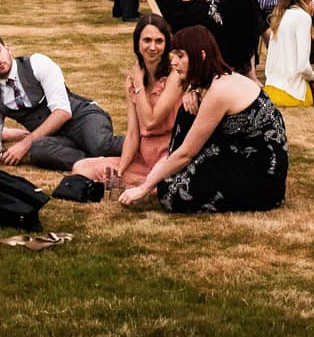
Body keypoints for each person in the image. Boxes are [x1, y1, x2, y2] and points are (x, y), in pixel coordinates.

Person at [118, 25, 288, 214]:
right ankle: (166, 173)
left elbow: (186, 153)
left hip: (262, 179)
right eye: (173, 55)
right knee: (186, 115)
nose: (173, 62)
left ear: (202, 56)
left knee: (171, 195)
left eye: (180, 56)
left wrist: (144, 188)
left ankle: (163, 175)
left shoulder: (219, 91)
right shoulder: (218, 80)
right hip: (241, 153)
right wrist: (192, 92)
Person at [0, 32, 121, 171]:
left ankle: (139, 146)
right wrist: (5, 155)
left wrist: (24, 144)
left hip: (83, 118)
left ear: (8, 49)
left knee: (100, 146)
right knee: (38, 150)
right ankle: (94, 163)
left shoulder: (37, 64)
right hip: (57, 139)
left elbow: (63, 112)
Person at [74, 17, 184, 193]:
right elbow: (133, 133)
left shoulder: (174, 77)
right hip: (142, 158)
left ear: (167, 44)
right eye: (147, 40)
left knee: (158, 181)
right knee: (81, 168)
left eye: (159, 41)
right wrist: (121, 169)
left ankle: (151, 186)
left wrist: (139, 83)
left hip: (168, 156)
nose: (153, 47)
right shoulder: (131, 80)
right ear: (137, 43)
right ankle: (142, 185)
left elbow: (151, 121)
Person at [263, 0, 314, 106]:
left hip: (272, 88)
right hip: (293, 93)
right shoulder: (302, 17)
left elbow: (269, 65)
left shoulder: (281, 15)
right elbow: (303, 66)